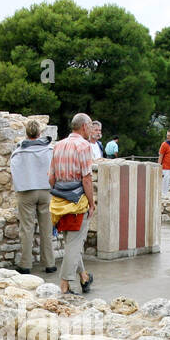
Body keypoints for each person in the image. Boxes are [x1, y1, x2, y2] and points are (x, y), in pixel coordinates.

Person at [49, 112, 96, 295]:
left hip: (59, 201)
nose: (91, 129)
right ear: (84, 127)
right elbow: (87, 179)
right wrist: (91, 204)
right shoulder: (84, 146)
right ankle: (64, 284)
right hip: (77, 202)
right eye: (91, 125)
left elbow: (51, 177)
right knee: (74, 244)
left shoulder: (58, 145)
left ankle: (84, 276)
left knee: (71, 242)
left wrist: (59, 194)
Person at [9, 120, 56, 274]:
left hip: (26, 191)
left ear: (27, 133)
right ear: (39, 133)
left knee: (27, 229)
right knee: (46, 229)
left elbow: (15, 171)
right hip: (45, 190)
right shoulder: (49, 149)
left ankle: (25, 264)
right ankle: (49, 263)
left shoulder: (19, 151)